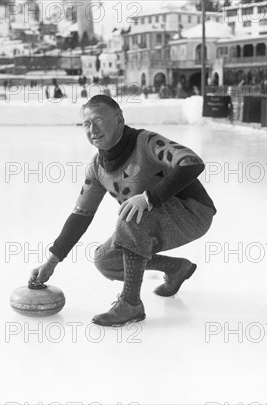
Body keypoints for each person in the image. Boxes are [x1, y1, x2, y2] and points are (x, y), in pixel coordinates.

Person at [29, 95, 216, 326]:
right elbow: (80, 215)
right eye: (86, 124)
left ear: (119, 120)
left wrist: (149, 197)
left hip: (193, 213)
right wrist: (52, 260)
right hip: (150, 220)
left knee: (130, 218)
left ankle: (131, 304)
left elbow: (192, 162)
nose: (92, 129)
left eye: (98, 120)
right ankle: (177, 268)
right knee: (106, 260)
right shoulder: (97, 169)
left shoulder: (145, 142)